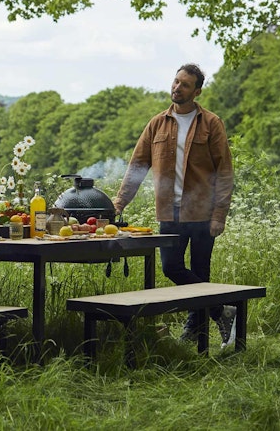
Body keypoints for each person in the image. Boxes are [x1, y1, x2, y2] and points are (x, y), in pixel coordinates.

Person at [112, 63, 236, 347]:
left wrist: (220, 215)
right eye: (176, 82)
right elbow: (138, 165)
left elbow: (224, 171)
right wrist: (119, 202)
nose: (177, 88)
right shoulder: (157, 123)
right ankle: (221, 311)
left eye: (185, 85)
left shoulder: (211, 123)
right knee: (171, 267)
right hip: (170, 211)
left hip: (203, 212)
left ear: (197, 91)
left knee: (201, 272)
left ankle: (196, 331)